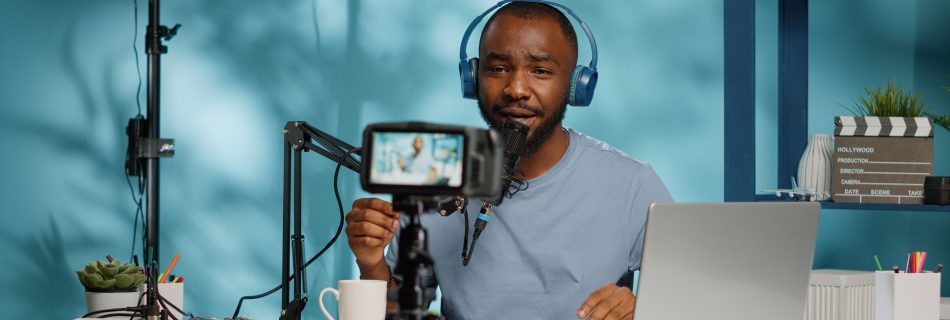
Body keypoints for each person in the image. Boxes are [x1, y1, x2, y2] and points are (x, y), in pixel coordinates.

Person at [345, 2, 672, 319]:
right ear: (473, 79)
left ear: (575, 86)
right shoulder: (434, 175)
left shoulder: (631, 184)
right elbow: (396, 314)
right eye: (498, 69)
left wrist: (645, 309)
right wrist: (372, 263)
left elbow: (701, 300)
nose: (516, 89)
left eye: (540, 71)